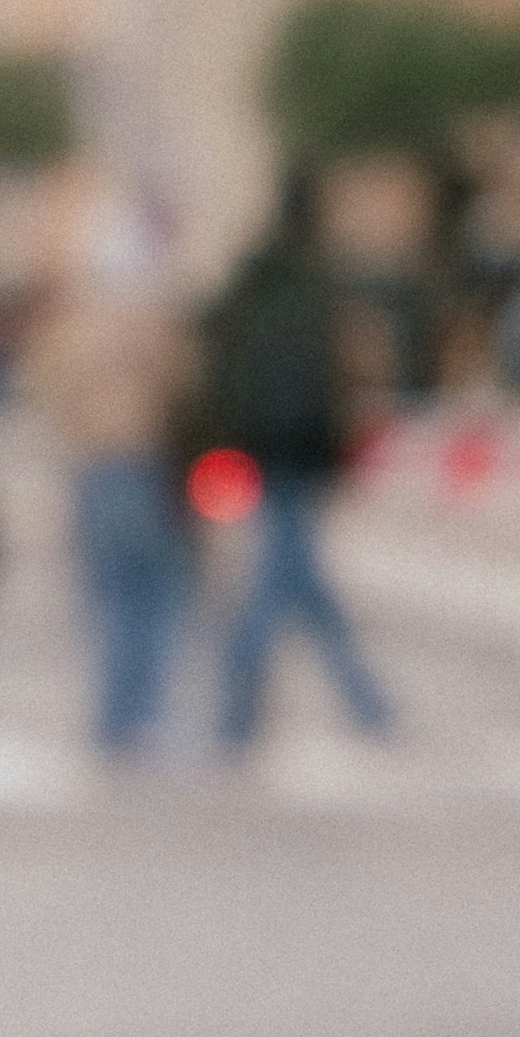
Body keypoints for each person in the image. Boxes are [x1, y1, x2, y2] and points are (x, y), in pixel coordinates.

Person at [198, 167, 396, 751]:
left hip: (255, 446)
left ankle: (366, 704)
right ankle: (247, 701)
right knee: (284, 578)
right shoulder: (318, 290)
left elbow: (219, 360)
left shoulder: (249, 285)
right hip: (300, 451)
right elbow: (338, 376)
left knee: (297, 577)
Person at [32, 227, 193, 757]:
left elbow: (48, 389)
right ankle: (137, 715)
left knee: (110, 599)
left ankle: (112, 715)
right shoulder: (150, 325)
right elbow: (184, 385)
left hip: (91, 470)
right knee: (153, 600)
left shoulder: (71, 329)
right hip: (142, 467)